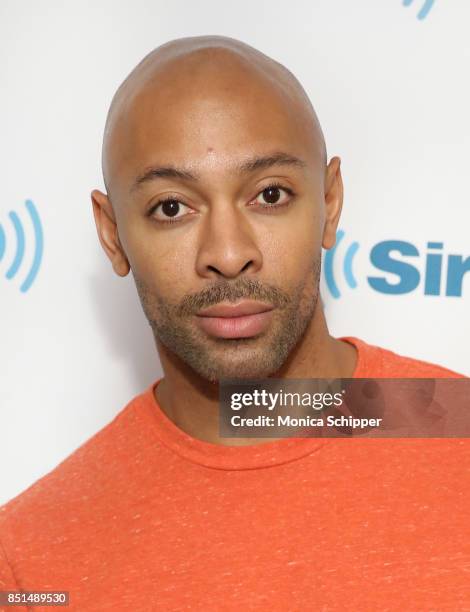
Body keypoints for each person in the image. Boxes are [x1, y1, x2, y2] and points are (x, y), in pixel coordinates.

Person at [0, 35, 468, 611]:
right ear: (112, 233)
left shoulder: (458, 431)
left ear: (330, 202)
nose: (227, 252)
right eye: (172, 207)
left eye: (269, 195)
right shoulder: (29, 561)